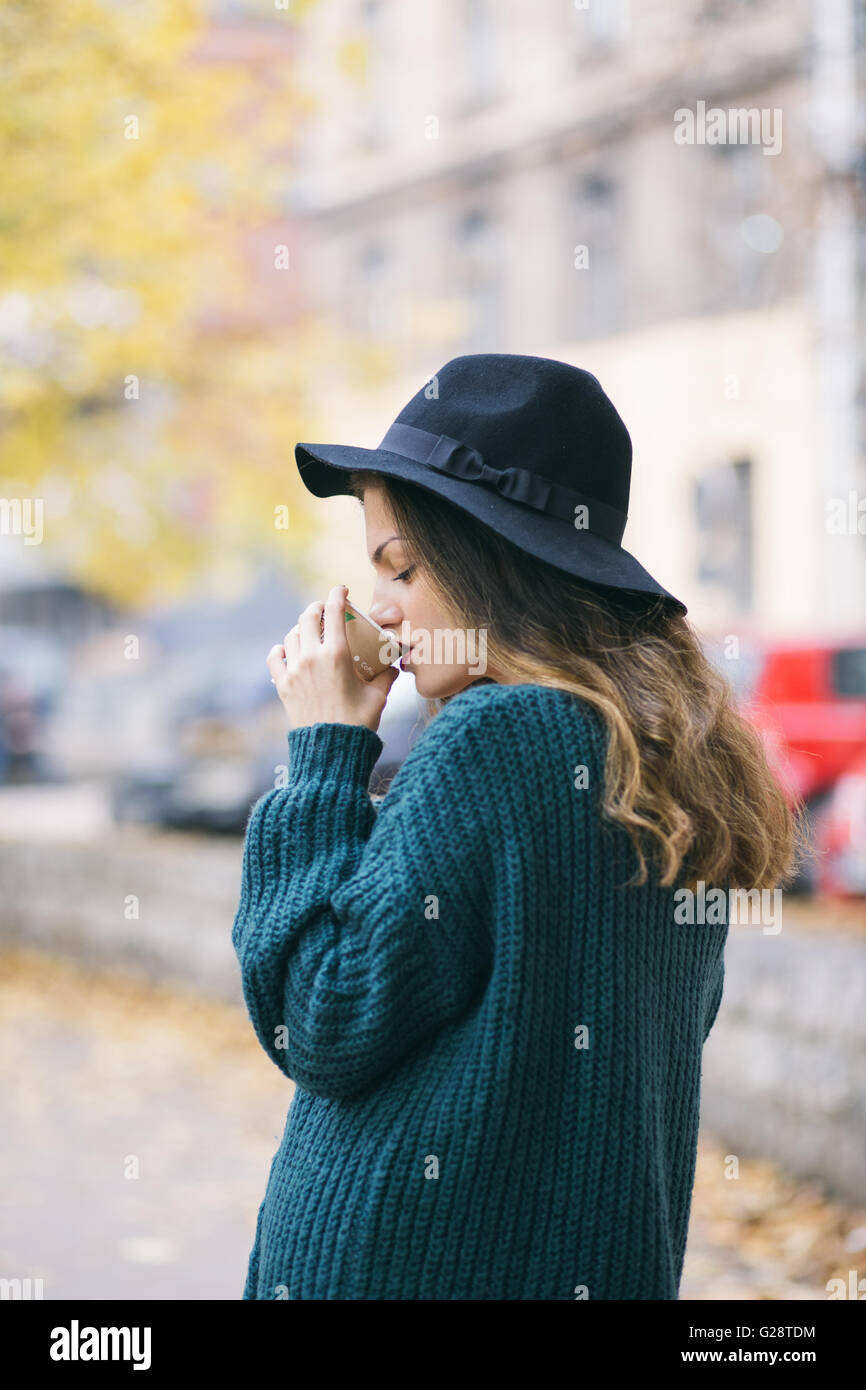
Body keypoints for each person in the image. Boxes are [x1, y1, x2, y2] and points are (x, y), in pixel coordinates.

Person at [231, 353, 805, 1300]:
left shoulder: (496, 738)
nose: (379, 608)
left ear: (489, 560)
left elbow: (321, 1021)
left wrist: (325, 755)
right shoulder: (665, 757)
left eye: (403, 568)